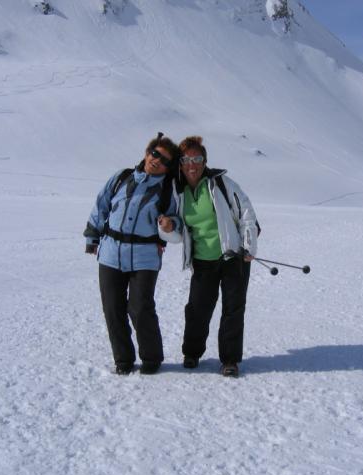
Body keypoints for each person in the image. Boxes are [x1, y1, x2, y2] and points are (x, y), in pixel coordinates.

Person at [158, 136, 259, 377]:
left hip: (232, 256)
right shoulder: (178, 191)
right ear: (180, 163)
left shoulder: (220, 184)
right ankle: (192, 353)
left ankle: (230, 360)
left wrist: (248, 246)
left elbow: (245, 212)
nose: (192, 164)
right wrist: (167, 228)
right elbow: (179, 232)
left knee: (233, 309)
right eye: (186, 159)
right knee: (197, 309)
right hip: (202, 260)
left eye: (197, 159)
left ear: (204, 161)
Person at [84, 133, 181, 375]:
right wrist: (92, 236)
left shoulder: (168, 190)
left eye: (164, 161)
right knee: (112, 309)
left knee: (140, 308)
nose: (157, 161)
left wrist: (171, 224)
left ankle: (152, 358)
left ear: (168, 168)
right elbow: (102, 204)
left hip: (144, 257)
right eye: (155, 154)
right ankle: (123, 360)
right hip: (110, 253)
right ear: (147, 152)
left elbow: (178, 219)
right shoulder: (122, 177)